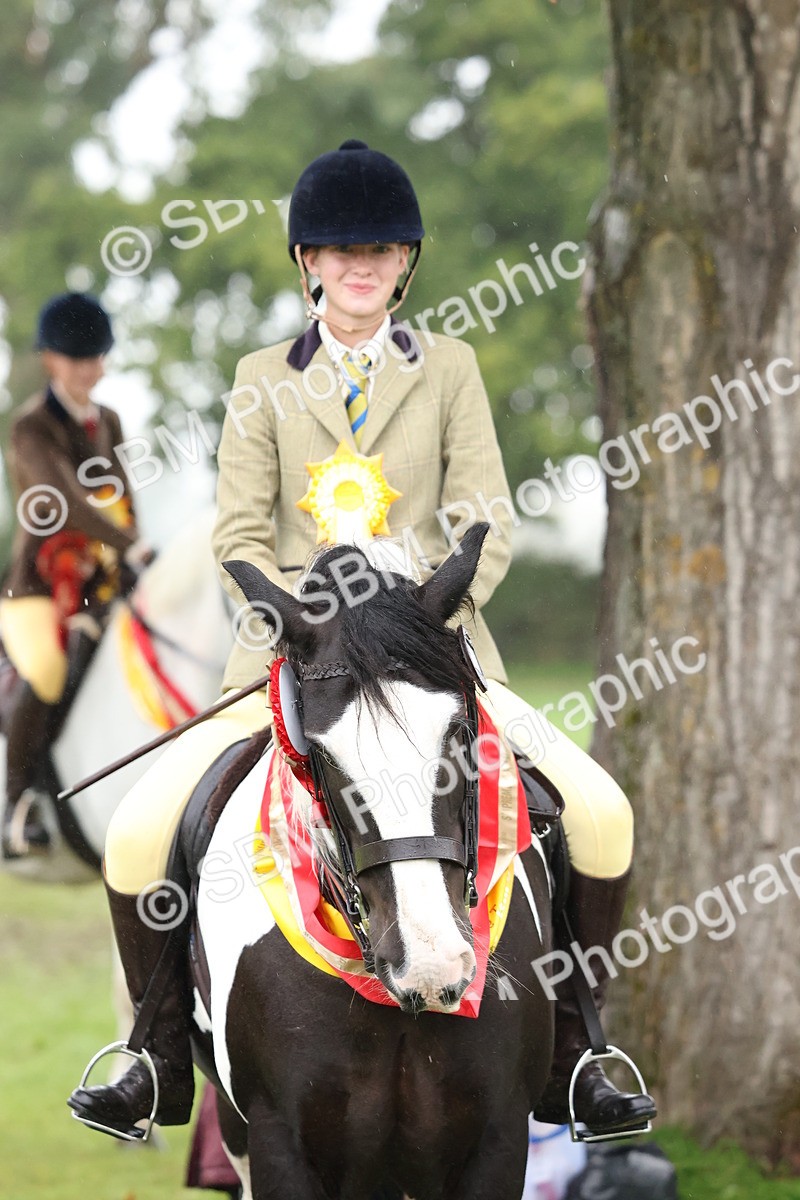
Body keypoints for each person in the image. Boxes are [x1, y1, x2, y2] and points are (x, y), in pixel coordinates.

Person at [69, 141, 656, 1140]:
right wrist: (312, 612)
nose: (360, 265)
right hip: (287, 663)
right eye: (341, 249)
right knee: (134, 835)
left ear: (404, 263)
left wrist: (419, 608)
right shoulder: (261, 378)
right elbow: (238, 536)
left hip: (433, 661)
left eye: (380, 249)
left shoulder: (450, 370)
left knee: (598, 813)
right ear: (307, 260)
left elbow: (487, 521)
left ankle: (574, 1053)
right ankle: (159, 1056)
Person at [1, 292, 153, 859]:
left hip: (98, 587)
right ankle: (15, 808)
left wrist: (137, 552)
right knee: (45, 670)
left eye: (97, 357)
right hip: (35, 589)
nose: (90, 369)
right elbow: (62, 500)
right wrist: (130, 544)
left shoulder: (108, 420)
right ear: (50, 360)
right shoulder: (30, 428)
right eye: (78, 358)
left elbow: (123, 497)